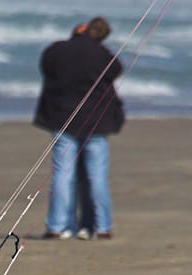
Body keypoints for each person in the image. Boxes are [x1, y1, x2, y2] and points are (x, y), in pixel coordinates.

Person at [34, 17, 125, 241]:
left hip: (66, 119)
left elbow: (47, 66)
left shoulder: (58, 50)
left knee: (64, 175)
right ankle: (101, 227)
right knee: (96, 176)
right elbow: (116, 69)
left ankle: (58, 226)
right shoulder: (101, 53)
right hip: (93, 122)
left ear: (85, 29)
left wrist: (81, 38)